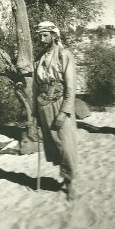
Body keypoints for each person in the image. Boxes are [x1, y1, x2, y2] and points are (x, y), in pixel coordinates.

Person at [33, 21, 78, 201]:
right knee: (55, 145)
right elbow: (36, 86)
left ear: (54, 35)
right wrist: (35, 112)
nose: (42, 38)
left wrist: (64, 111)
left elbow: (71, 86)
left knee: (67, 145)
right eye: (40, 35)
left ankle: (70, 183)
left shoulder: (64, 55)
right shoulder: (39, 57)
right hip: (43, 105)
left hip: (60, 103)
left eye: (45, 35)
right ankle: (64, 176)